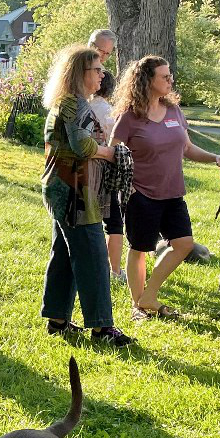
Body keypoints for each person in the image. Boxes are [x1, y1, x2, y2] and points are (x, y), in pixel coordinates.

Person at [111, 55, 220, 320]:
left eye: (170, 75)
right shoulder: (129, 117)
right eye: (164, 76)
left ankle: (148, 295)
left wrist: (215, 158)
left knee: (184, 243)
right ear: (147, 81)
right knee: (140, 248)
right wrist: (127, 188)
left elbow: (187, 148)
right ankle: (137, 305)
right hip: (141, 193)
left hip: (173, 192)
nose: (170, 80)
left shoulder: (174, 111)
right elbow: (113, 153)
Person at [39, 45, 133, 347]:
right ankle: (103, 327)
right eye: (96, 69)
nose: (102, 73)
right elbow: (83, 146)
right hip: (74, 191)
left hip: (65, 188)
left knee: (66, 253)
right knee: (93, 255)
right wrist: (111, 153)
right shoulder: (74, 104)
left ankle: (57, 319)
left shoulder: (71, 103)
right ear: (81, 73)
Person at [87, 66, 126, 282]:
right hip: (105, 170)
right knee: (113, 222)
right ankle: (115, 270)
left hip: (85, 172)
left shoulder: (84, 107)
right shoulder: (110, 113)